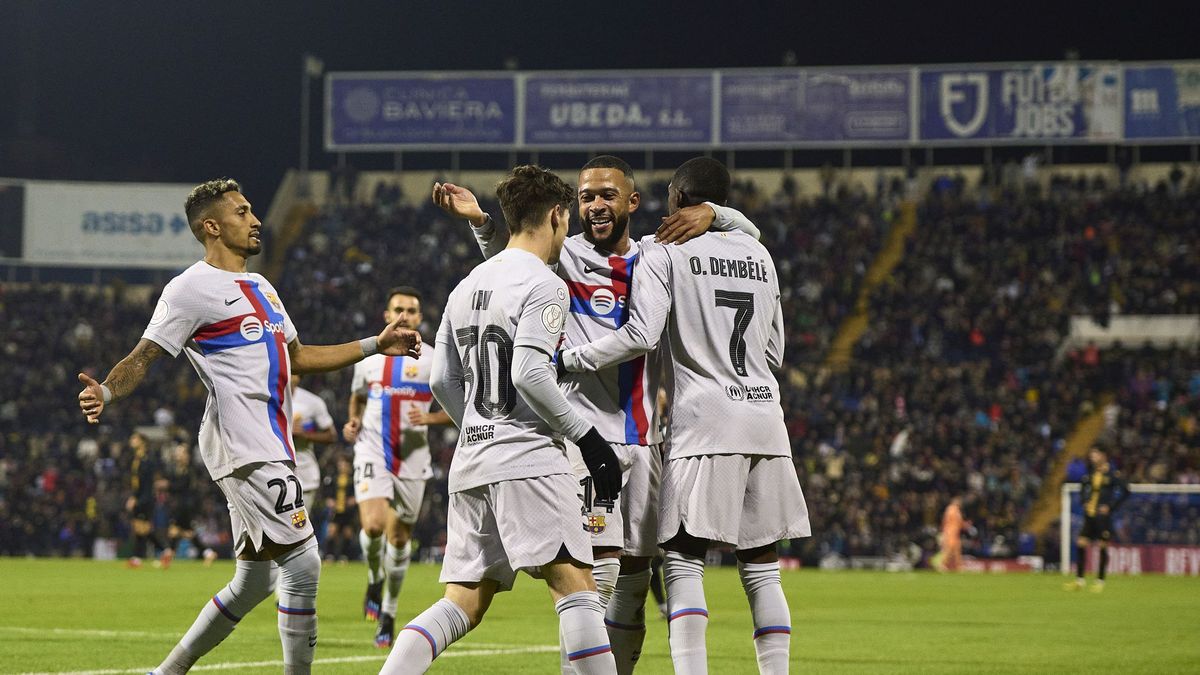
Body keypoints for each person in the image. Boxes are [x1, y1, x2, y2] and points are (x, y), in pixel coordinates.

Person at [76, 178, 421, 675]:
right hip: (243, 442)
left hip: (270, 440)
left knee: (254, 581)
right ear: (212, 226)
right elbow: (144, 355)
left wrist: (374, 343)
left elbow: (300, 357)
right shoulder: (189, 288)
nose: (256, 219)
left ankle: (167, 671)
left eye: (253, 210)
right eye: (242, 212)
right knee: (303, 565)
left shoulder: (262, 286)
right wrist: (106, 392)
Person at [434, 154, 758, 673]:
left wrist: (716, 215)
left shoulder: (658, 254)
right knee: (593, 584)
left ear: (632, 202)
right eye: (586, 196)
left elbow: (750, 238)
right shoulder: (564, 255)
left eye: (608, 194)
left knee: (632, 585)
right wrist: (481, 224)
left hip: (646, 441)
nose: (595, 204)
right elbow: (509, 262)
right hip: (585, 442)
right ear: (572, 207)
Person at [560, 157, 810, 674]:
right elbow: (776, 351)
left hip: (705, 420)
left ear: (677, 198)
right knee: (763, 570)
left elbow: (645, 334)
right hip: (766, 417)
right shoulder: (760, 253)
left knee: (680, 558)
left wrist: (572, 359)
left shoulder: (667, 251)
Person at [382, 165, 621, 674]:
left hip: (472, 460)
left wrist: (475, 426)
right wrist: (590, 440)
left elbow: (442, 383)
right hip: (529, 458)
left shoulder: (464, 285)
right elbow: (532, 372)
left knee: (464, 600)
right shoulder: (544, 283)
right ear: (557, 216)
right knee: (577, 585)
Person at [342, 286, 452, 648]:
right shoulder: (370, 356)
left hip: (413, 459)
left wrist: (432, 418)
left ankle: (388, 611)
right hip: (373, 450)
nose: (404, 315)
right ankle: (374, 576)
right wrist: (353, 421)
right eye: (398, 309)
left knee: (400, 538)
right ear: (387, 315)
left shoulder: (435, 360)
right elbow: (357, 396)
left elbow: (460, 407)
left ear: (420, 318)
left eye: (411, 310)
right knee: (373, 526)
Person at [1065, 447, 1129, 593]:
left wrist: (1111, 507)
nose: (1092, 456)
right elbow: (1082, 488)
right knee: (1080, 543)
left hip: (1103, 518)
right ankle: (1079, 581)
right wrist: (1084, 501)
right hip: (1090, 515)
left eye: (1095, 453)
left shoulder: (1112, 474)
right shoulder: (1091, 473)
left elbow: (1126, 490)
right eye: (1091, 453)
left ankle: (1100, 581)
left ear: (1103, 455)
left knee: (1102, 546)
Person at [290, 376, 336, 545]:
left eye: (293, 372)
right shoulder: (267, 397)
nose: (289, 376)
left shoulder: (311, 402)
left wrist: (304, 434)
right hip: (272, 470)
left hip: (304, 473)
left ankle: (297, 563)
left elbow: (331, 435)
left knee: (297, 526)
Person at [125, 431, 170, 568]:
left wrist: (136, 498)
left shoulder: (146, 460)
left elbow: (146, 483)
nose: (131, 440)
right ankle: (139, 557)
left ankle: (164, 550)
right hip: (142, 496)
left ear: (142, 442)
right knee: (141, 528)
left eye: (134, 438)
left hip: (144, 497)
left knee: (142, 528)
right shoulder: (137, 459)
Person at [937, 496, 967, 572]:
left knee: (957, 549)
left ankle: (958, 566)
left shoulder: (957, 510)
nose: (960, 503)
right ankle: (942, 564)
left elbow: (959, 523)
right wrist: (944, 532)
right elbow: (945, 521)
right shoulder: (951, 509)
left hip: (955, 532)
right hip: (950, 532)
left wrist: (965, 525)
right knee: (949, 549)